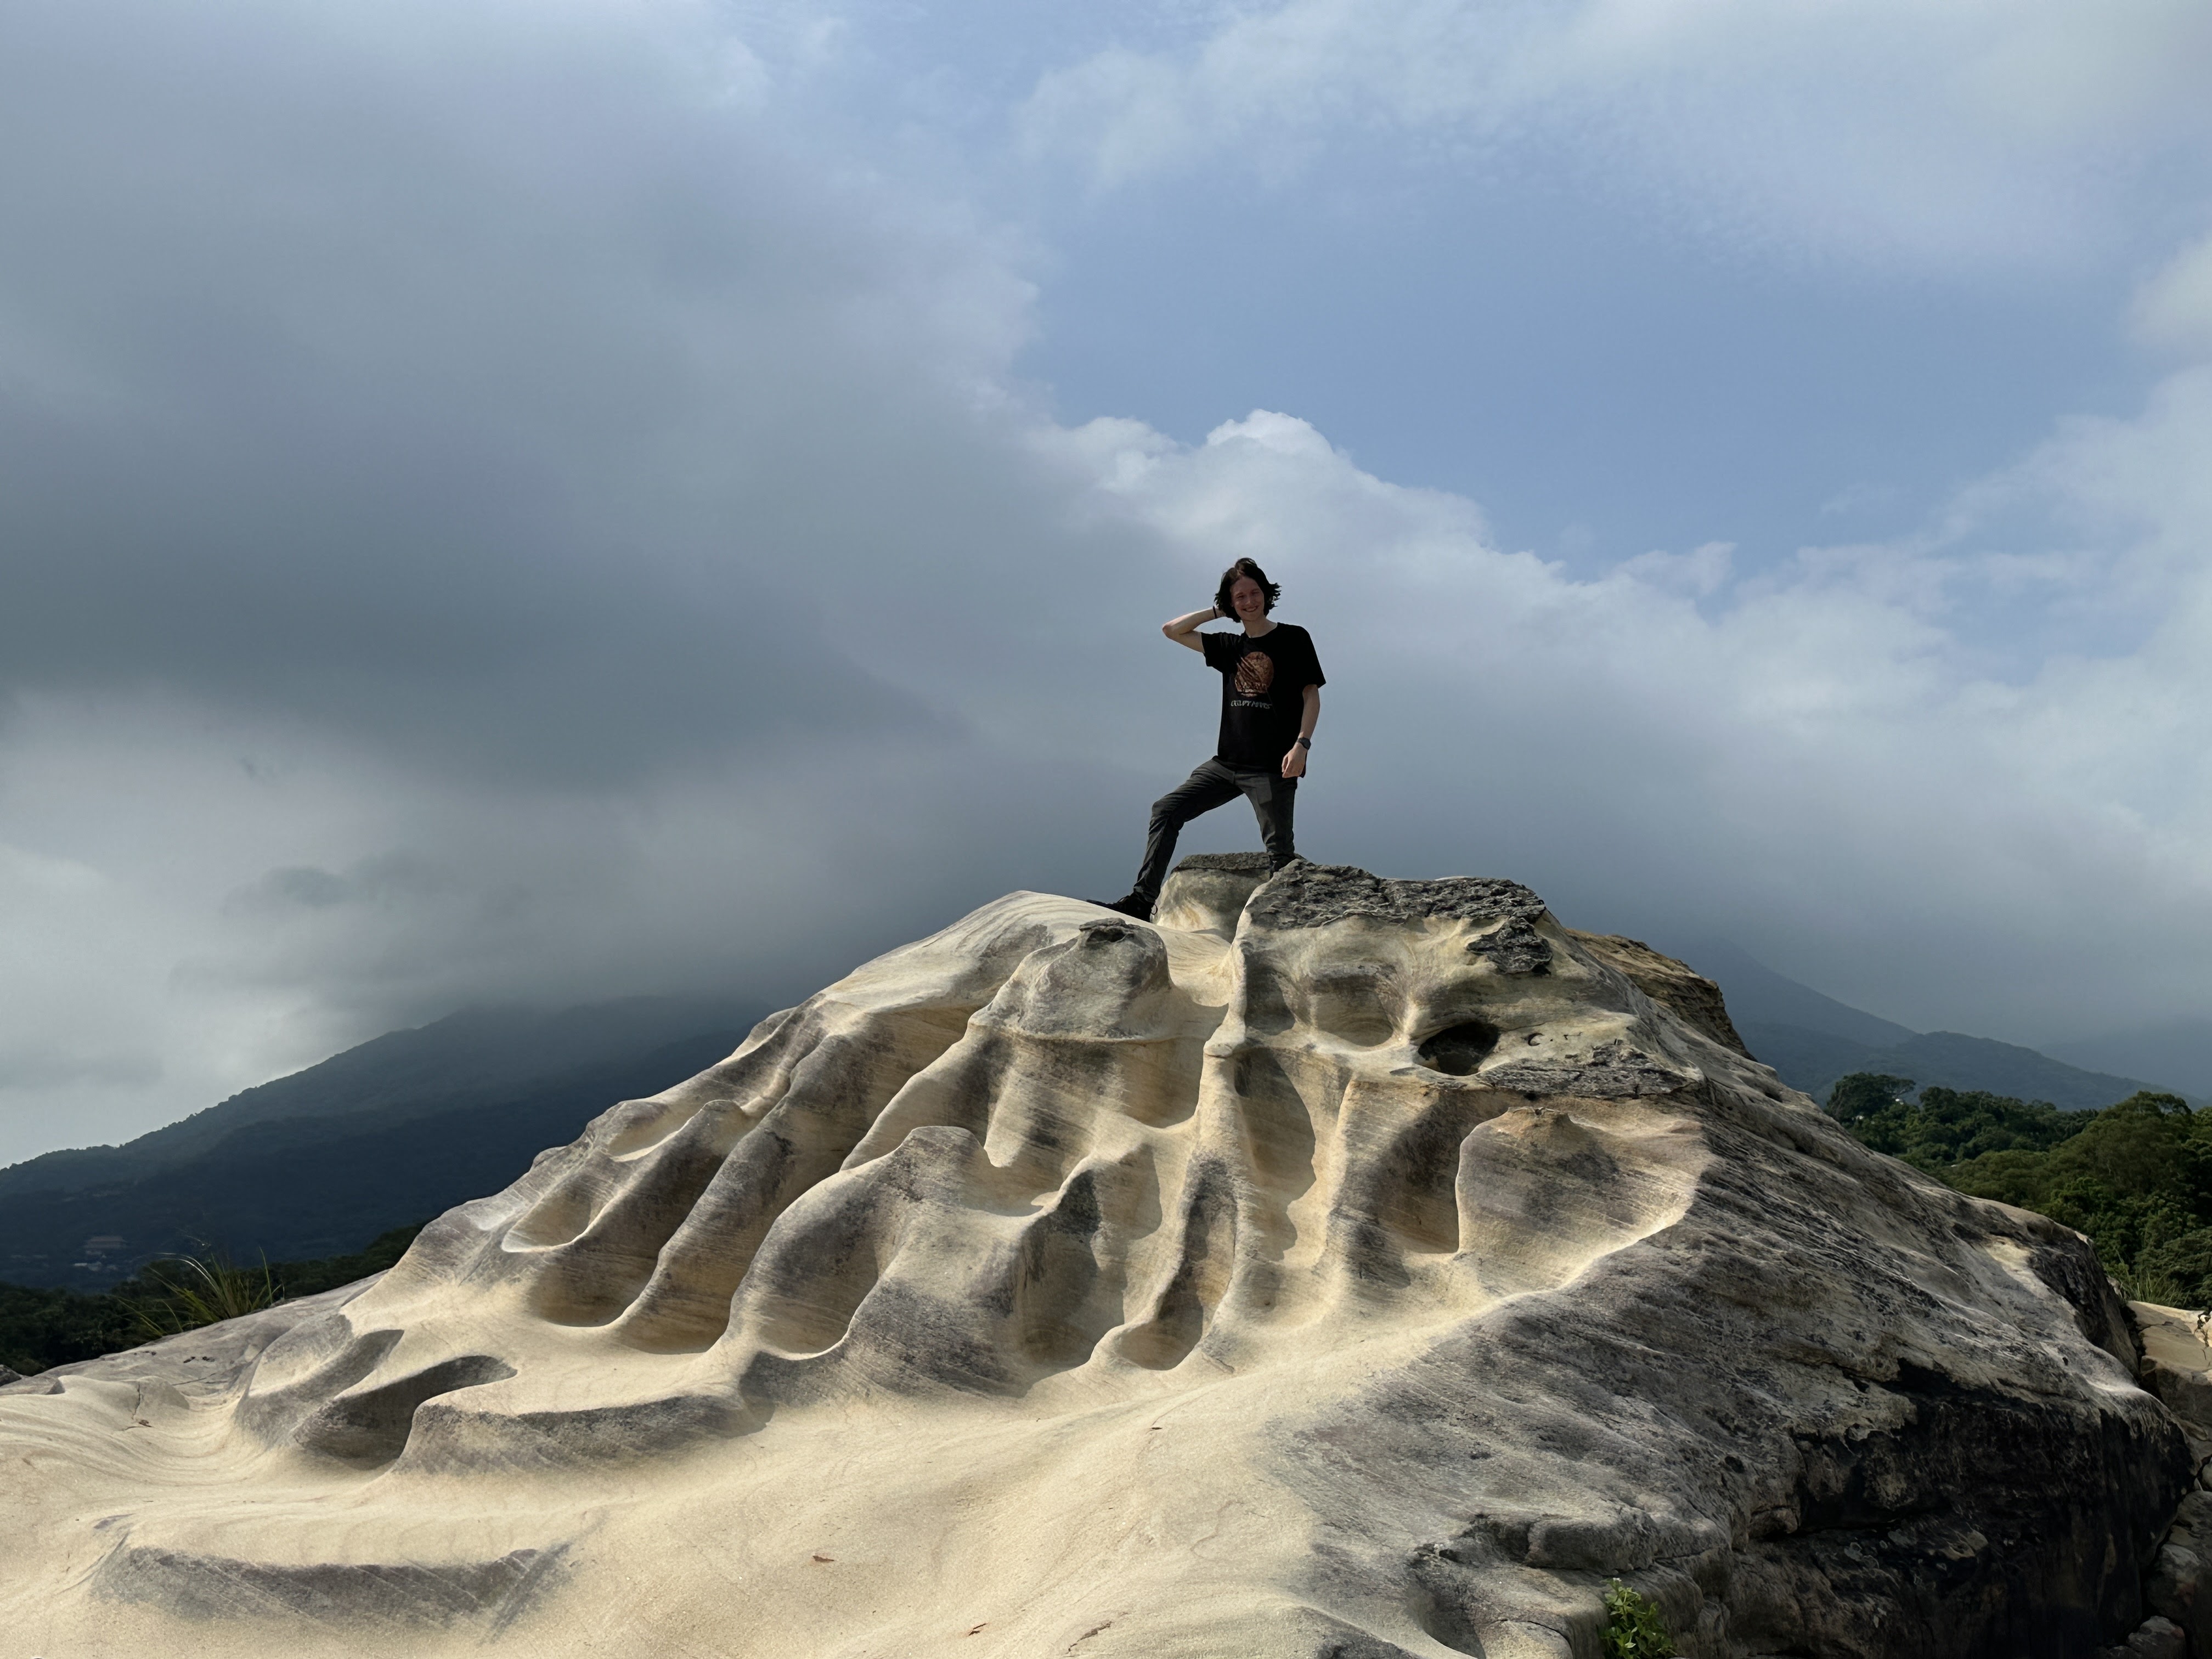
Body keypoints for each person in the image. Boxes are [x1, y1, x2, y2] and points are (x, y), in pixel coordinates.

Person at [1099, 558, 1324, 921]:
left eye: (1255, 593)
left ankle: (1289, 928)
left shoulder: (1294, 638)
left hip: (1272, 767)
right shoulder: (1228, 646)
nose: (1249, 601)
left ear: (1267, 594)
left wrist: (1303, 744)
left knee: (1281, 857)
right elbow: (1172, 630)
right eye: (1240, 597)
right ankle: (1141, 903)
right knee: (1166, 810)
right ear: (1231, 602)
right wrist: (1219, 611)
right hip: (1226, 764)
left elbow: (1311, 694)